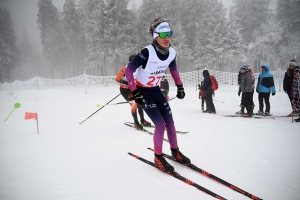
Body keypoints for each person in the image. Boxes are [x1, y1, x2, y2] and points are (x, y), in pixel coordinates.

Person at [125, 18, 190, 173]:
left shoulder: (172, 53)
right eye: (163, 34)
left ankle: (175, 151)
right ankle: (158, 156)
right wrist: (135, 92)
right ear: (155, 36)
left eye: (169, 33)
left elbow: (173, 70)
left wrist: (180, 86)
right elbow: (129, 71)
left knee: (170, 122)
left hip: (156, 90)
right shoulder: (146, 52)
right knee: (160, 124)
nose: (167, 37)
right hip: (143, 91)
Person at [115, 54, 152, 130]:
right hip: (125, 90)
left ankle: (142, 121)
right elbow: (117, 79)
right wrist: (127, 83)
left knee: (140, 103)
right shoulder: (125, 69)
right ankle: (136, 123)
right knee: (134, 104)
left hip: (133, 89)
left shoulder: (139, 69)